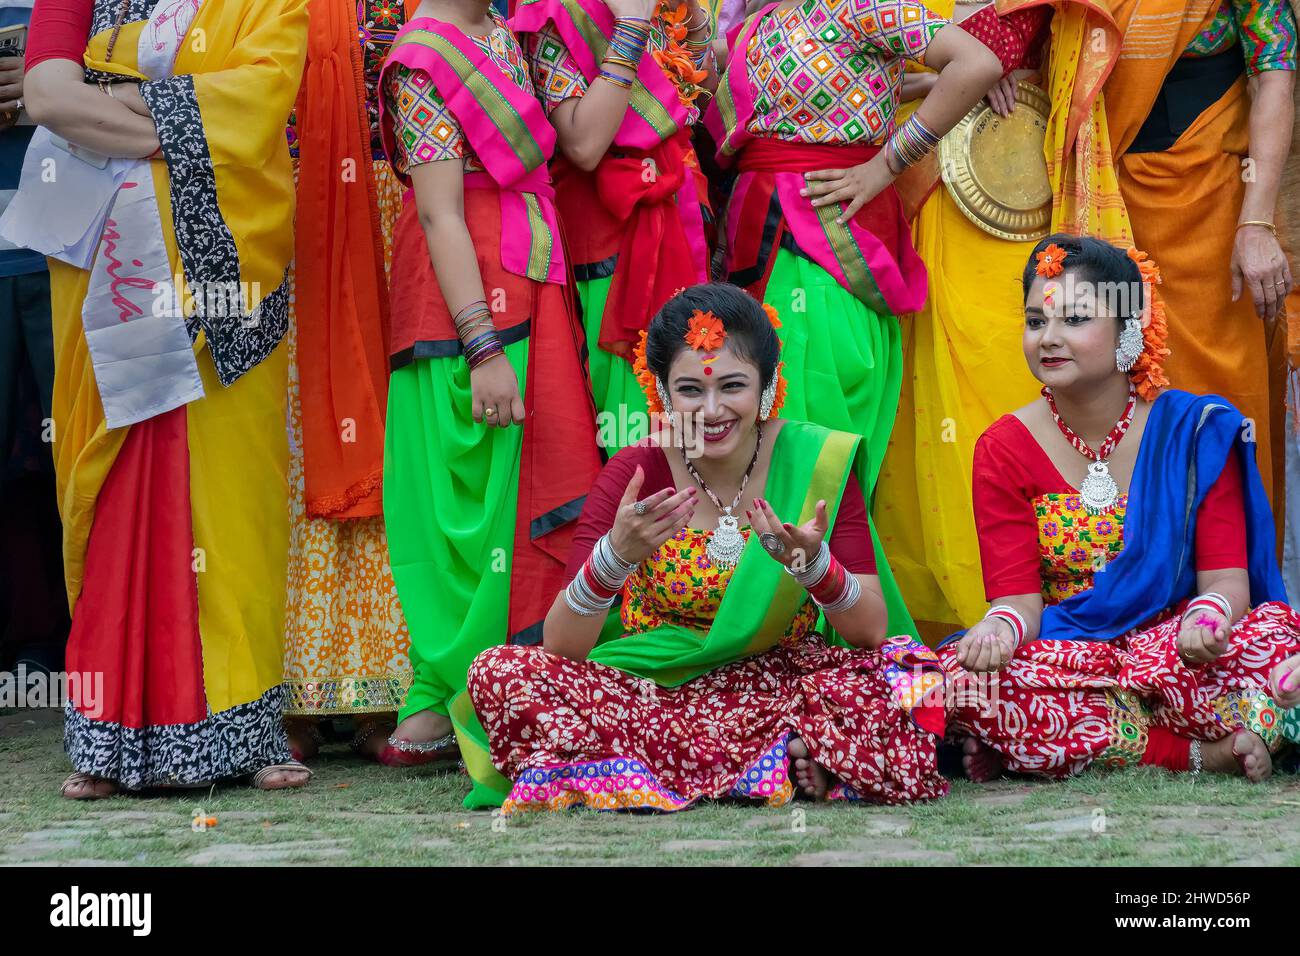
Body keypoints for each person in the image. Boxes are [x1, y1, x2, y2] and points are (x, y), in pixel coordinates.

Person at [465, 284, 948, 812]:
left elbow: (871, 630)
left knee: (913, 671)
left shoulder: (815, 460)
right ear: (663, 394)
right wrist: (614, 558)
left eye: (734, 386)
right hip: (655, 692)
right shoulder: (637, 471)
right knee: (498, 672)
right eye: (691, 390)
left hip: (779, 682)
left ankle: (672, 765)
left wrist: (814, 567)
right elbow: (561, 647)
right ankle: (778, 758)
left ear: (767, 386)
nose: (712, 410)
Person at [10, 0, 312, 798]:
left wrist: (105, 103)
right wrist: (181, 118)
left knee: (233, 500)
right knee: (108, 489)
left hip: (224, 279)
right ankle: (106, 743)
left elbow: (263, 99)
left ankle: (247, 725)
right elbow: (45, 99)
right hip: (106, 272)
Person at [943, 235, 1300, 783]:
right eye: (1036, 321)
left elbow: (1228, 584)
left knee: (1278, 642)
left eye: (1075, 319)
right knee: (962, 681)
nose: (1049, 339)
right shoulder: (1003, 447)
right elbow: (1016, 600)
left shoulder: (1195, 430)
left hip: (1182, 648)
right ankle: (1203, 752)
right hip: (1073, 654)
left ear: (1130, 330)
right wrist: (998, 632)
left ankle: (1047, 745)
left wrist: (1207, 621)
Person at [703, 0, 1003, 640]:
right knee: (770, 445)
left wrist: (887, 164)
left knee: (812, 454)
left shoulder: (863, 5)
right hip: (759, 246)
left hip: (830, 250)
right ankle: (775, 642)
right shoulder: (760, 17)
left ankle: (839, 644)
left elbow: (976, 62)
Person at [378, 0, 602, 805]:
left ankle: (513, 688)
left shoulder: (503, 32)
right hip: (464, 303)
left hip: (531, 272)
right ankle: (458, 689)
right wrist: (479, 346)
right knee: (465, 505)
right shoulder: (419, 59)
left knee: (530, 490)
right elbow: (439, 211)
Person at [995, 0, 1297, 502]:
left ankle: (1227, 569)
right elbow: (1020, 36)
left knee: (1217, 403)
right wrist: (994, 69)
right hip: (1091, 193)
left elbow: (1276, 71)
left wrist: (1257, 223)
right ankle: (1126, 563)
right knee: (1102, 382)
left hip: (1208, 207)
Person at [874, 0, 1049, 641]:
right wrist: (960, 74)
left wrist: (1007, 70)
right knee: (918, 401)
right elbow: (853, 62)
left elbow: (1070, 60)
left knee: (1007, 368)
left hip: (1002, 179)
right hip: (910, 183)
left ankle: (1021, 605)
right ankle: (932, 626)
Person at [279, 0, 414, 764]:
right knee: (297, 440)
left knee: (393, 436)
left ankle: (385, 693)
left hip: (403, 208)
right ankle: (285, 692)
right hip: (296, 213)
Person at [512, 0, 715, 452]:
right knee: (626, 422)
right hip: (608, 238)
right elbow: (583, 143)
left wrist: (694, 16)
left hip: (680, 209)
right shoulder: (555, 12)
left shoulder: (663, 6)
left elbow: (700, 100)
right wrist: (633, 25)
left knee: (693, 400)